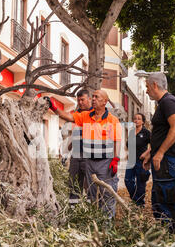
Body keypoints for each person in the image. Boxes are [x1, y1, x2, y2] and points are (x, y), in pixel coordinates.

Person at [47, 90, 122, 218]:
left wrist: (116, 159)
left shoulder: (112, 120)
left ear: (104, 101)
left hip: (106, 162)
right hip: (89, 162)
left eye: (96, 97)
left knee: (107, 193)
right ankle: (93, 223)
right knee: (91, 194)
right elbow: (68, 117)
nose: (93, 99)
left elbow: (117, 141)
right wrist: (54, 107)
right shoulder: (85, 116)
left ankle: (107, 225)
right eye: (92, 97)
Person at [142, 72, 175, 233]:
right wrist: (150, 152)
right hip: (162, 158)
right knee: (159, 201)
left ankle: (174, 237)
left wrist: (160, 153)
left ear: (154, 85)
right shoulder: (163, 103)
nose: (146, 90)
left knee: (168, 200)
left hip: (168, 159)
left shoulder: (169, 102)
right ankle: (164, 234)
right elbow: (162, 133)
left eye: (147, 86)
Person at [67, 89, 93, 205]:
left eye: (82, 100)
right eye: (78, 100)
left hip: (90, 155)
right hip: (76, 154)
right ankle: (73, 209)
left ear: (89, 99)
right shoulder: (77, 113)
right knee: (73, 183)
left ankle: (90, 209)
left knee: (90, 184)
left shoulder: (95, 113)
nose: (80, 102)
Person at [124, 113, 151, 206]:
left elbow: (154, 145)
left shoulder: (146, 132)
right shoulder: (131, 132)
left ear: (143, 121)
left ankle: (139, 203)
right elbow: (128, 145)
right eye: (135, 119)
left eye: (139, 119)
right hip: (131, 160)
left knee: (140, 182)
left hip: (141, 161)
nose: (136, 120)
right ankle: (136, 199)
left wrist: (146, 153)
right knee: (127, 180)